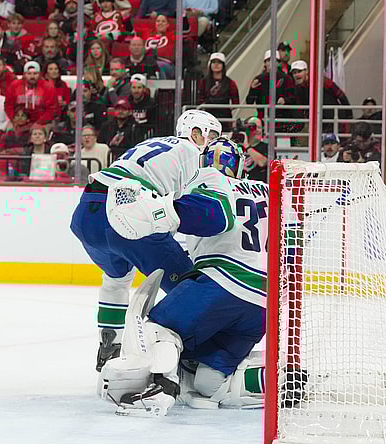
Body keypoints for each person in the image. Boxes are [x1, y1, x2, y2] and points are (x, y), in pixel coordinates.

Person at [98, 137, 267, 415]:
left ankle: (159, 390)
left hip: (222, 282)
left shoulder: (209, 178)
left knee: (159, 329)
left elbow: (210, 217)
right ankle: (271, 379)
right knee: (206, 384)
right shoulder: (269, 190)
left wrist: (160, 213)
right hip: (263, 301)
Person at [70, 109, 222, 372]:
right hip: (126, 212)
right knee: (189, 288)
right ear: (196, 132)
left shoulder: (151, 144)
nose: (213, 144)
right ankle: (195, 356)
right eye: (213, 136)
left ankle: (109, 346)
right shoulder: (192, 153)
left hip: (87, 214)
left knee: (116, 279)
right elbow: (189, 208)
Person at [198, 52, 239, 132]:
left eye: (219, 62)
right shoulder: (204, 82)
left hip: (225, 118)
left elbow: (236, 102)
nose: (216, 65)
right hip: (208, 117)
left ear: (223, 65)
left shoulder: (230, 83)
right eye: (214, 62)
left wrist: (224, 108)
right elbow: (200, 99)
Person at [240, 116, 268, 182]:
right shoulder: (237, 146)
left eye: (259, 127)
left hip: (258, 189)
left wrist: (247, 146)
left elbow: (262, 162)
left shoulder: (267, 147)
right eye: (253, 127)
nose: (257, 130)